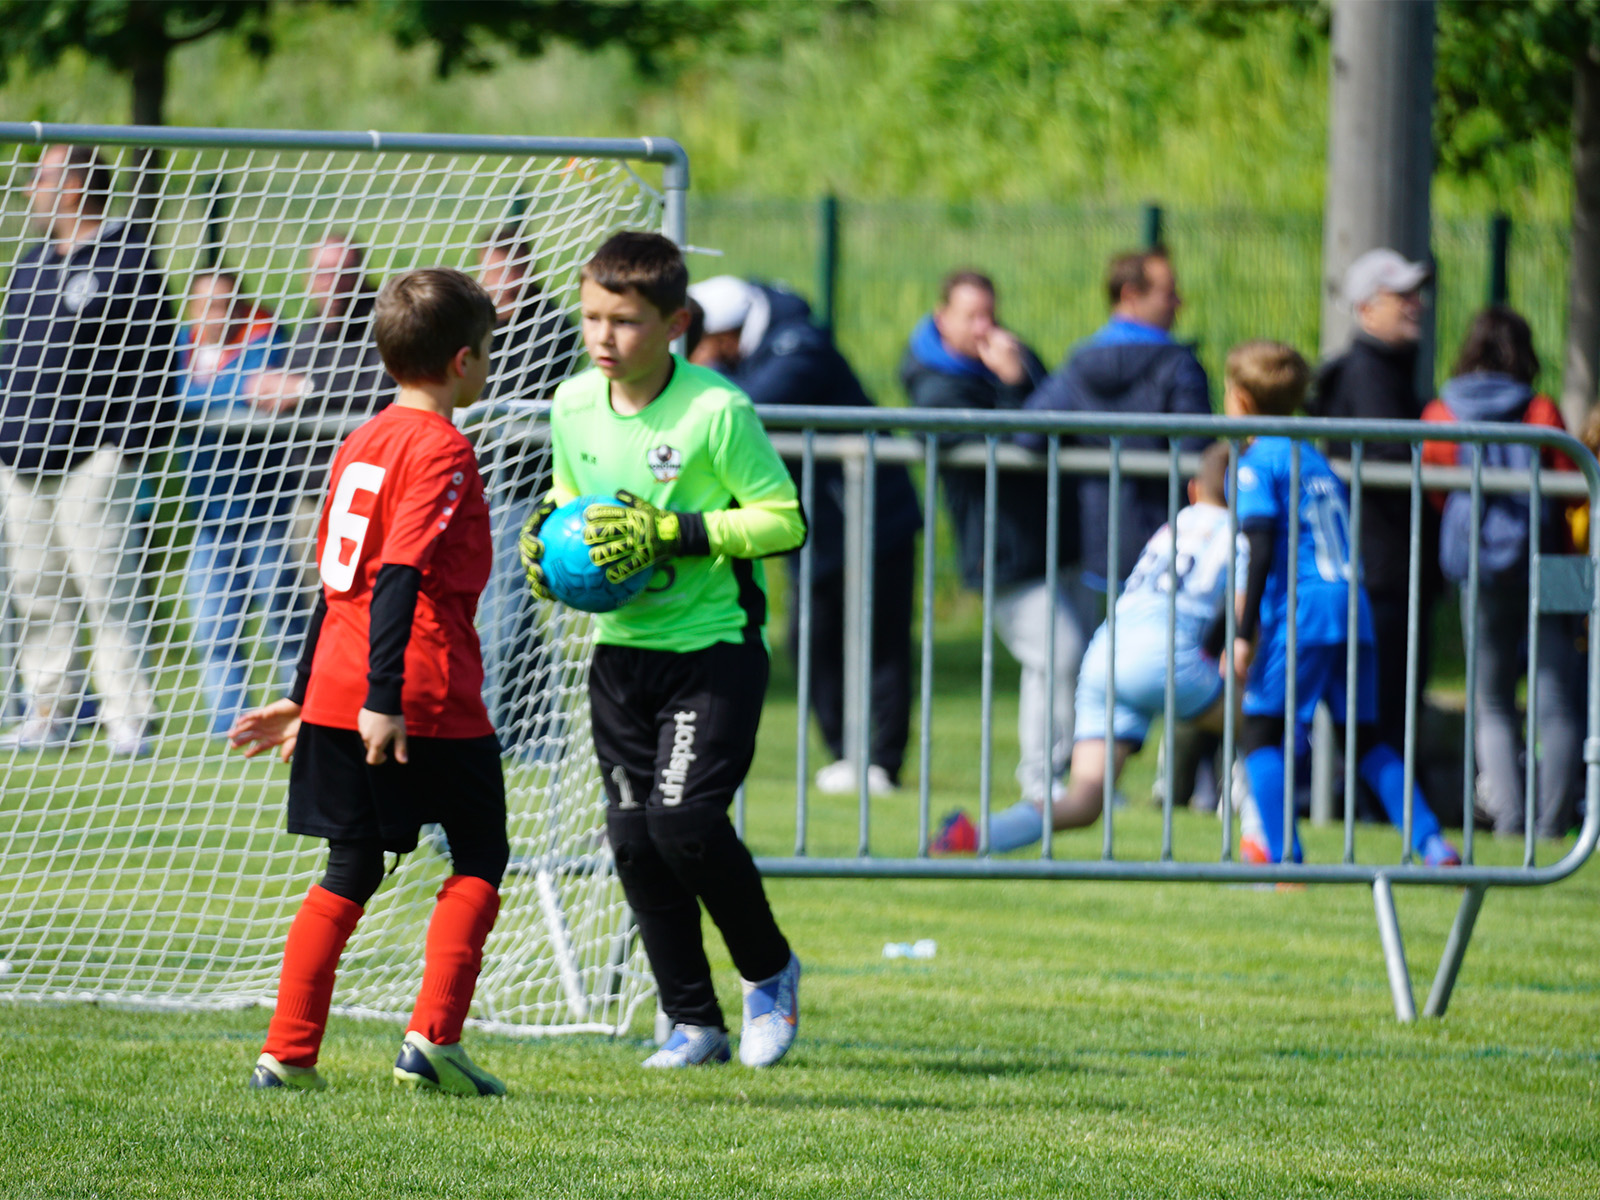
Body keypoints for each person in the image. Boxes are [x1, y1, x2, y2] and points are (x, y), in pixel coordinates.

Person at [521, 233, 805, 1068]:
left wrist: (670, 533)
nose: (603, 337)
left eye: (626, 321)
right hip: (620, 655)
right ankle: (692, 1023)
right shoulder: (573, 402)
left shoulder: (717, 410)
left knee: (684, 822)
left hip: (711, 649)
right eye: (591, 318)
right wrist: (553, 547)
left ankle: (770, 971)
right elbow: (571, 500)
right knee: (634, 840)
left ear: (676, 324)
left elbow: (783, 520)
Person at [228, 268, 508, 1095]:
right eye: (487, 350)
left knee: (350, 865)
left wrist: (306, 692)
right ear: (462, 361)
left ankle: (287, 1054)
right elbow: (398, 574)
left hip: (340, 679)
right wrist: (384, 698)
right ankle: (433, 1041)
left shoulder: (361, 439)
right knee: (481, 852)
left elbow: (335, 578)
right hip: (418, 688)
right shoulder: (442, 447)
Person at [934, 443, 1239, 855]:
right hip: (1165, 656)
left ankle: (977, 836)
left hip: (1106, 653)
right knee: (1262, 728)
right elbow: (1244, 623)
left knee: (1085, 801)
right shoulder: (1240, 535)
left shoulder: (1175, 526)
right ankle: (1269, 851)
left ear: (1193, 489)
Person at [1225, 340, 1459, 867]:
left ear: (1240, 399)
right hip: (1353, 606)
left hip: (1303, 611)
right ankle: (1433, 844)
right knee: (1365, 741)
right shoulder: (1314, 458)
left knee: (1260, 733)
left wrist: (1241, 633)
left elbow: (1260, 545)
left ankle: (1283, 858)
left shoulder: (1258, 461)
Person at [688, 274, 921, 797]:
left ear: (728, 333)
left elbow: (748, 408)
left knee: (881, 642)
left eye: (706, 342)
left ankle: (882, 762)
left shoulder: (800, 346)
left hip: (875, 515)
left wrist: (704, 377)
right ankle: (844, 755)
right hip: (819, 524)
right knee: (813, 636)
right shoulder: (761, 349)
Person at [0, 145, 174, 756]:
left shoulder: (128, 258)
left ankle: (128, 717)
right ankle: (50, 712)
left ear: (73, 185)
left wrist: (123, 452)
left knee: (108, 592)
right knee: (35, 593)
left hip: (92, 463)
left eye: (40, 178)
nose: (30, 189)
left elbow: (156, 364)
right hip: (22, 461)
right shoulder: (30, 264)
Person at [902, 269, 1083, 812]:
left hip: (1056, 538)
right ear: (942, 318)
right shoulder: (934, 384)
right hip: (1000, 549)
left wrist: (1018, 376)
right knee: (1057, 653)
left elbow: (1058, 410)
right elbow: (1019, 439)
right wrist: (1011, 383)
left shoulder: (1012, 356)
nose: (985, 327)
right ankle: (1042, 777)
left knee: (1074, 659)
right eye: (971, 316)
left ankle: (1081, 778)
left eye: (990, 313)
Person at [1421, 307, 1584, 839]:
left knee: (1490, 699)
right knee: (1556, 699)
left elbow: (1437, 487)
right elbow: (1571, 485)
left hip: (1478, 567)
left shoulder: (1442, 412)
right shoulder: (1540, 409)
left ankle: (1509, 820)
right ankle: (1552, 826)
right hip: (1551, 561)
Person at [1019, 247, 1211, 614]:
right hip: (1171, 541)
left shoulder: (1079, 364)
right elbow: (1197, 452)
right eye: (1169, 293)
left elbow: (1028, 435)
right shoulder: (1179, 366)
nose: (1179, 303)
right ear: (1130, 294)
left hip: (1100, 543)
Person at [1308, 248, 1439, 787]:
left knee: (1390, 702)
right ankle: (1377, 803)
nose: (1415, 305)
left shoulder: (1388, 369)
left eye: (1416, 294)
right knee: (1381, 706)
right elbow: (1389, 458)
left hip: (1391, 565)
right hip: (1380, 568)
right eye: (1400, 296)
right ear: (1365, 309)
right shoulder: (1367, 372)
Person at [176, 270, 305, 735]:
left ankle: (301, 709)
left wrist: (221, 392)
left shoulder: (265, 337)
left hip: (264, 510)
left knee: (283, 619)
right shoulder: (180, 345)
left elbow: (266, 387)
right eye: (206, 304)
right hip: (208, 513)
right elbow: (173, 394)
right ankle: (228, 723)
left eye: (226, 304)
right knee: (213, 624)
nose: (216, 314)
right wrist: (234, 390)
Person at [471, 224, 582, 747]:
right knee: (505, 615)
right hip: (477, 488)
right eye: (490, 269)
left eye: (507, 268)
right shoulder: (475, 326)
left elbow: (524, 398)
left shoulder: (551, 326)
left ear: (525, 267)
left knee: (504, 615)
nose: (498, 279)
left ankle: (487, 727)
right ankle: (541, 732)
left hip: (523, 490)